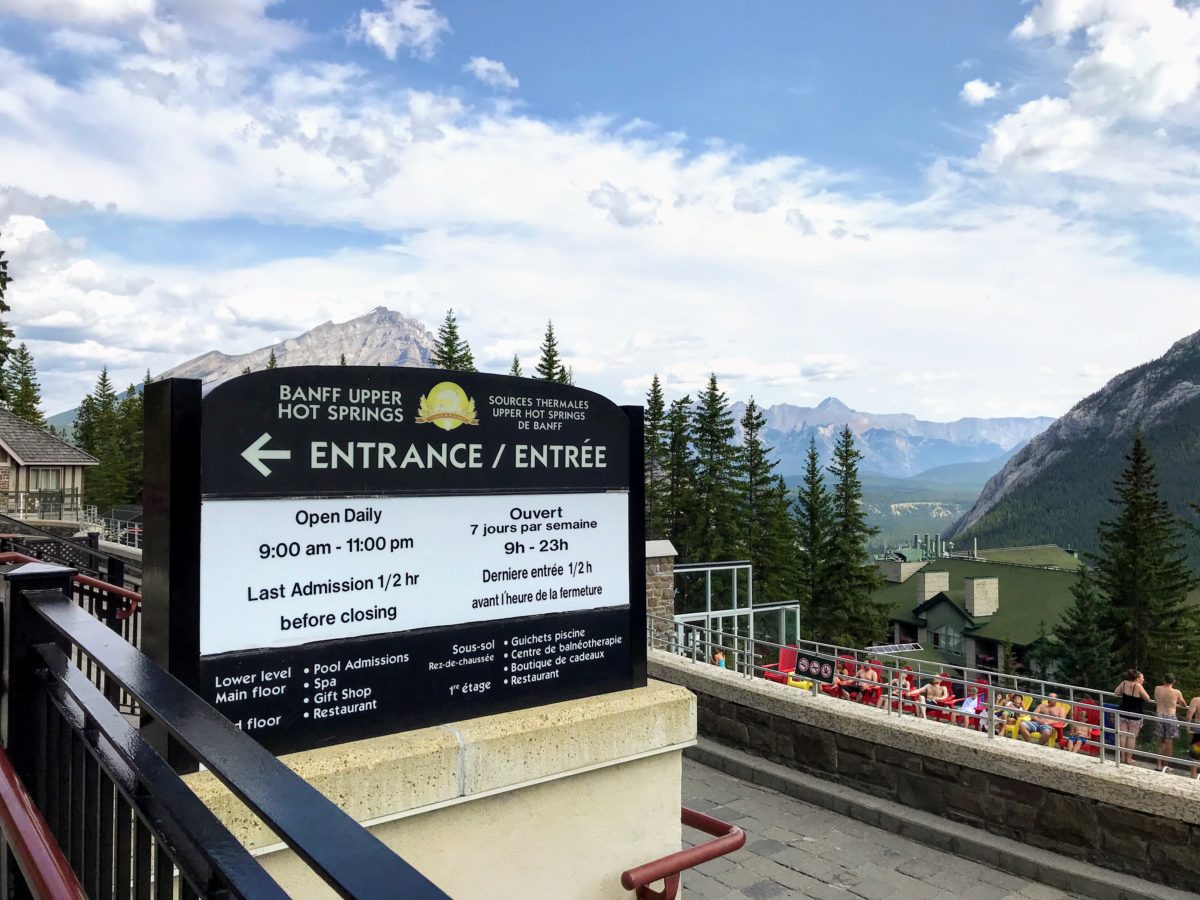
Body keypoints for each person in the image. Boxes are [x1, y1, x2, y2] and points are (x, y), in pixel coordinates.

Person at [1114, 669, 1150, 764]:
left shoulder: (1124, 683)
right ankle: (1128, 758)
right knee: (1131, 737)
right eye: (1141, 677)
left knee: (1123, 736)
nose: (1143, 679)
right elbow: (1147, 698)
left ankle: (1122, 757)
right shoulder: (1138, 686)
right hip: (1135, 714)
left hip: (1123, 712)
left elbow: (1116, 692)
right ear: (1137, 678)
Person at [1153, 674, 1187, 773]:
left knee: (1160, 741)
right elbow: (1184, 704)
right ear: (1174, 681)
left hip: (1159, 715)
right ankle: (1166, 765)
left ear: (1164, 679)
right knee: (1169, 742)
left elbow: (1156, 699)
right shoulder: (1176, 692)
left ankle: (1158, 765)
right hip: (1170, 716)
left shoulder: (1157, 688)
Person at [1186, 694, 1200, 779]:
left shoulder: (1196, 700)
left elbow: (1189, 715)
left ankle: (1193, 775)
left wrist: (1188, 729)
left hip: (1198, 728)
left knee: (1195, 753)